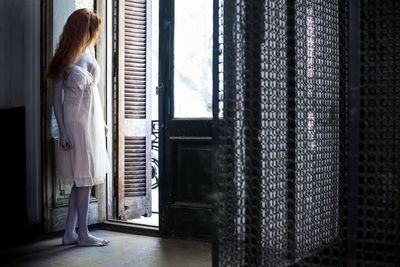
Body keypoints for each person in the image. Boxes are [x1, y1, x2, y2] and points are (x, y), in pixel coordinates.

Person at [46, 8, 111, 247]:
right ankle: (83, 235)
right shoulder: (65, 57)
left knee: (83, 178)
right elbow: (56, 99)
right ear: (80, 29)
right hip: (76, 122)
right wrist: (62, 131)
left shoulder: (89, 51)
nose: (93, 34)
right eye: (91, 29)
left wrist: (102, 121)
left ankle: (70, 233)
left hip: (92, 120)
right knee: (84, 179)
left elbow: (94, 90)